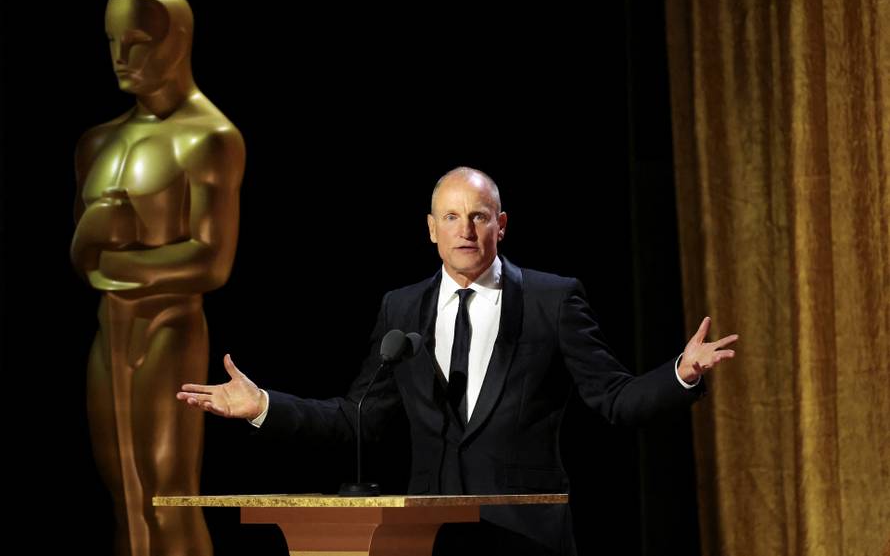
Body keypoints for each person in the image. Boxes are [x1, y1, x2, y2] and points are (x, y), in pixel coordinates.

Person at [177, 167, 736, 555]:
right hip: (428, 537)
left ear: (502, 224)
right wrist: (265, 407)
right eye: (451, 218)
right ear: (430, 229)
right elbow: (360, 416)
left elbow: (612, 399)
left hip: (526, 536)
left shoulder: (551, 299)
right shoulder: (401, 308)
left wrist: (680, 374)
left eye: (478, 217)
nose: (465, 230)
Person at [71, 0, 245, 556]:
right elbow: (81, 257)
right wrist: (95, 238)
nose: (123, 56)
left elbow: (210, 261)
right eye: (114, 42)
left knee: (167, 496)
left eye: (140, 42)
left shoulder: (209, 137)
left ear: (179, 41)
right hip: (110, 333)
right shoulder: (99, 142)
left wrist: (111, 256)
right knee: (125, 498)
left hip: (168, 329)